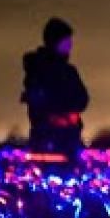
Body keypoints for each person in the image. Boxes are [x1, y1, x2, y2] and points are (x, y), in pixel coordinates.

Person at [20, 17, 89, 162]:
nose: (70, 45)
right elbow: (39, 101)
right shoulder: (38, 69)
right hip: (46, 137)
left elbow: (83, 99)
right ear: (54, 41)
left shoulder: (69, 71)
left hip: (69, 139)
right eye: (66, 41)